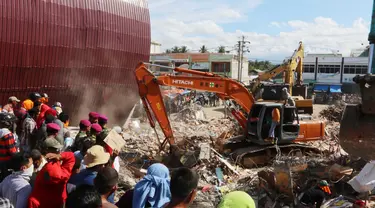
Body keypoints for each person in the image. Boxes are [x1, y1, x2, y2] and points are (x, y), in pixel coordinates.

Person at [28, 139, 75, 208]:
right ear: (47, 150)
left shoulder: (52, 168)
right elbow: (71, 157)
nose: (58, 151)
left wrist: (59, 156)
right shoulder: (54, 167)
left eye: (58, 149)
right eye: (55, 149)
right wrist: (60, 156)